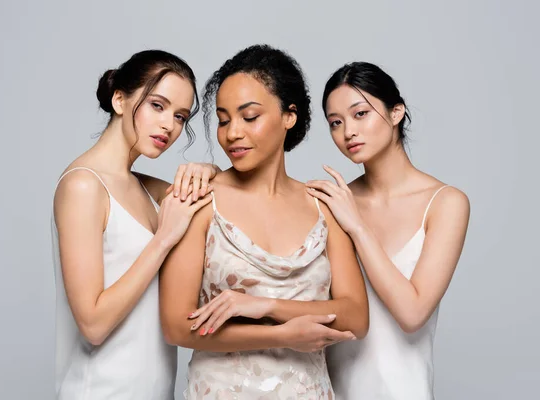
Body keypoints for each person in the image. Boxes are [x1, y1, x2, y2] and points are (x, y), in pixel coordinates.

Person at [159, 45, 369, 399]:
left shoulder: (323, 206)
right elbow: (176, 326)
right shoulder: (199, 201)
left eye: (249, 117)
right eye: (223, 120)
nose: (232, 133)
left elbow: (355, 317)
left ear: (290, 116)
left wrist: (266, 307)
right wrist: (281, 334)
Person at [52, 49, 216, 399]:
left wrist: (208, 170)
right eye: (158, 105)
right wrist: (163, 241)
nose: (169, 125)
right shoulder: (83, 186)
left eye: (181, 116)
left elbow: (218, 193)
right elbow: (93, 324)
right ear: (119, 99)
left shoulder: (146, 188)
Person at [308, 61, 470, 400]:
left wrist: (356, 226)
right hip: (327, 390)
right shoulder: (335, 202)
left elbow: (412, 313)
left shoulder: (445, 203)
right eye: (335, 123)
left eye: (360, 114)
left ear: (396, 112)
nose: (347, 131)